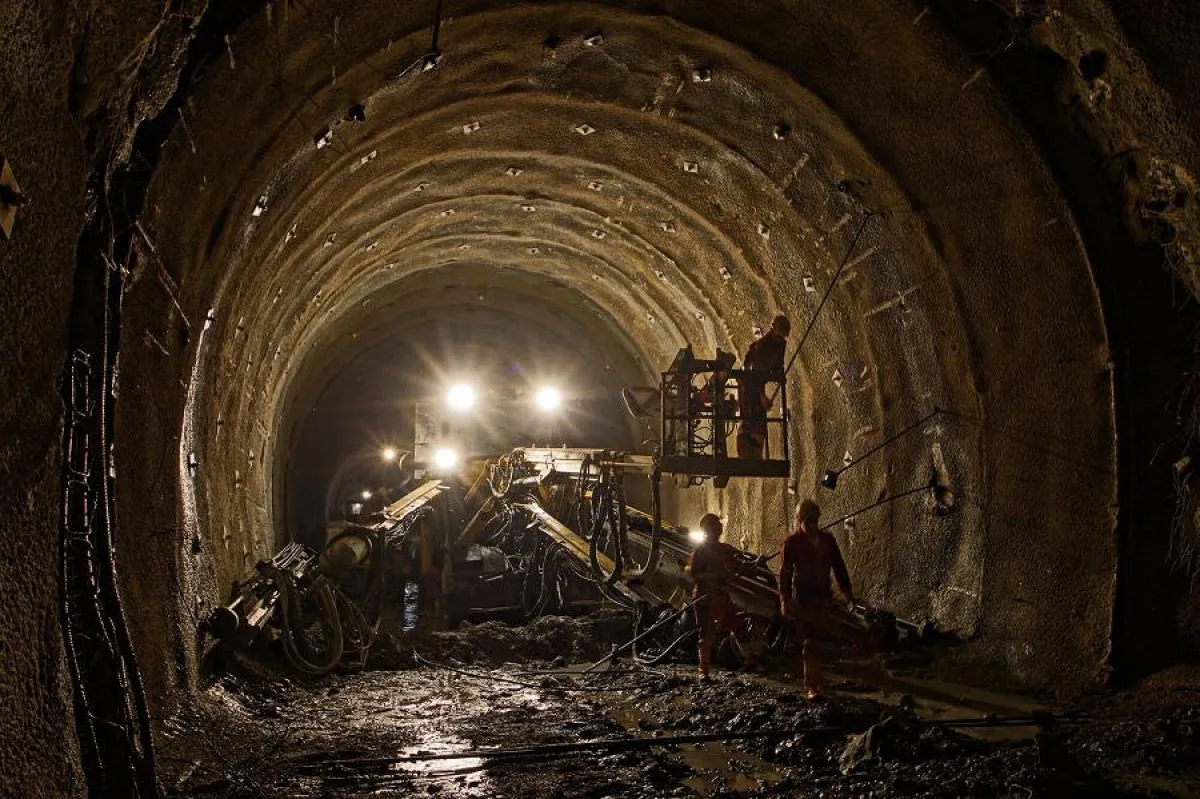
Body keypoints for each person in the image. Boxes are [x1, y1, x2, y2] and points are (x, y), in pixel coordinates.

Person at [778, 499, 855, 699]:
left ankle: (818, 682)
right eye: (809, 521)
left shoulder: (827, 540)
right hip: (803, 599)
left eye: (815, 521)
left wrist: (848, 595)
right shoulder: (791, 543)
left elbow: (839, 567)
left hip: (823, 597)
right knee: (810, 642)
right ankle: (812, 686)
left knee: (818, 641)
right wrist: (784, 601)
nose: (813, 525)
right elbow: (785, 575)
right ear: (800, 520)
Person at [686, 513, 746, 678]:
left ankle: (752, 661)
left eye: (719, 525)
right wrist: (716, 577)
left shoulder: (724, 549)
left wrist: (750, 565)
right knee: (707, 633)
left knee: (737, 625)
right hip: (705, 596)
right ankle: (703, 669)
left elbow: (738, 566)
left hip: (721, 596)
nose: (720, 528)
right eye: (716, 525)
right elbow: (694, 574)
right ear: (708, 529)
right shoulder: (700, 551)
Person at [736, 315, 790, 460]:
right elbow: (756, 376)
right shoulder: (762, 347)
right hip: (749, 385)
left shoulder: (781, 345)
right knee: (751, 417)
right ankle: (746, 455)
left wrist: (780, 376)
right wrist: (762, 397)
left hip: (757, 384)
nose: (782, 337)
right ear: (774, 331)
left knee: (758, 421)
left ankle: (755, 454)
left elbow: (778, 366)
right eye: (780, 334)